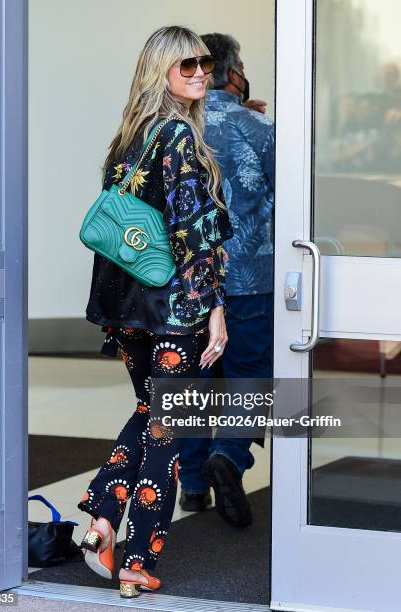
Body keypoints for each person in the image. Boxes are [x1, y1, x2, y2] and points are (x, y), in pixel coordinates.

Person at [76, 26, 233, 598]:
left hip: (125, 308)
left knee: (152, 410)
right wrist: (214, 308)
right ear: (160, 69)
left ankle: (99, 518)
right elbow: (191, 234)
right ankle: (137, 561)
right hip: (172, 310)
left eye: (206, 63)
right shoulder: (180, 139)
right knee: (168, 427)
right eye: (186, 64)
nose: (200, 72)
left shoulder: (127, 137)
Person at [179, 33, 275, 528]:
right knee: (251, 375)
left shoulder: (169, 128)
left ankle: (193, 484)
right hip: (250, 278)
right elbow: (286, 202)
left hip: (185, 282)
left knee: (191, 384)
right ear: (233, 72)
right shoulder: (259, 127)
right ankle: (231, 455)